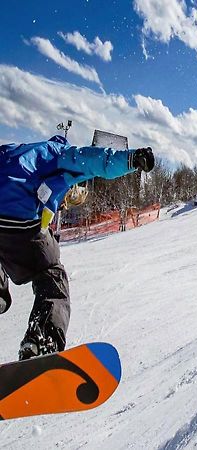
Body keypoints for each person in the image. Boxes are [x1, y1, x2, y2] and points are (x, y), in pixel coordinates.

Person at [0, 135, 154, 360]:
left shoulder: (12, 151)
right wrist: (131, 160)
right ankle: (42, 340)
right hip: (17, 219)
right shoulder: (54, 153)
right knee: (51, 274)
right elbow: (93, 160)